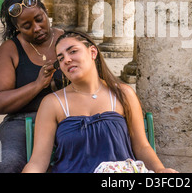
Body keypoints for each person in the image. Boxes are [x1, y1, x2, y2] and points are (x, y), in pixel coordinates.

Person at [22, 31, 177, 173]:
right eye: (61, 58)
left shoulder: (123, 94)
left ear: (93, 52)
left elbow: (142, 146)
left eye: (73, 51)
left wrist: (160, 170)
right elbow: (38, 161)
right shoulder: (53, 103)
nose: (67, 60)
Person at [0, 0, 64, 173]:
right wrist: (37, 85)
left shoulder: (67, 40)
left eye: (39, 19)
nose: (36, 28)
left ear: (46, 12)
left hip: (68, 117)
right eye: (27, 26)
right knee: (7, 163)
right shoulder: (10, 50)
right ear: (17, 28)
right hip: (22, 120)